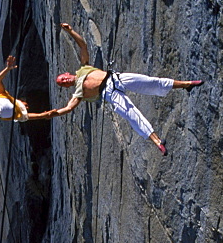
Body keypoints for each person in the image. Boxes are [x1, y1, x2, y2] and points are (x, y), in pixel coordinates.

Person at [51, 23, 203, 154]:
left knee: (151, 82)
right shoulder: (78, 94)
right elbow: (68, 109)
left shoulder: (83, 67)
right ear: (66, 86)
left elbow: (83, 45)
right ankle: (157, 141)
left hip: (116, 78)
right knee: (132, 115)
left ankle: (186, 84)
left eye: (62, 78)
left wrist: (70, 31)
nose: (64, 80)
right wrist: (51, 114)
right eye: (62, 83)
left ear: (66, 73)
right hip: (109, 94)